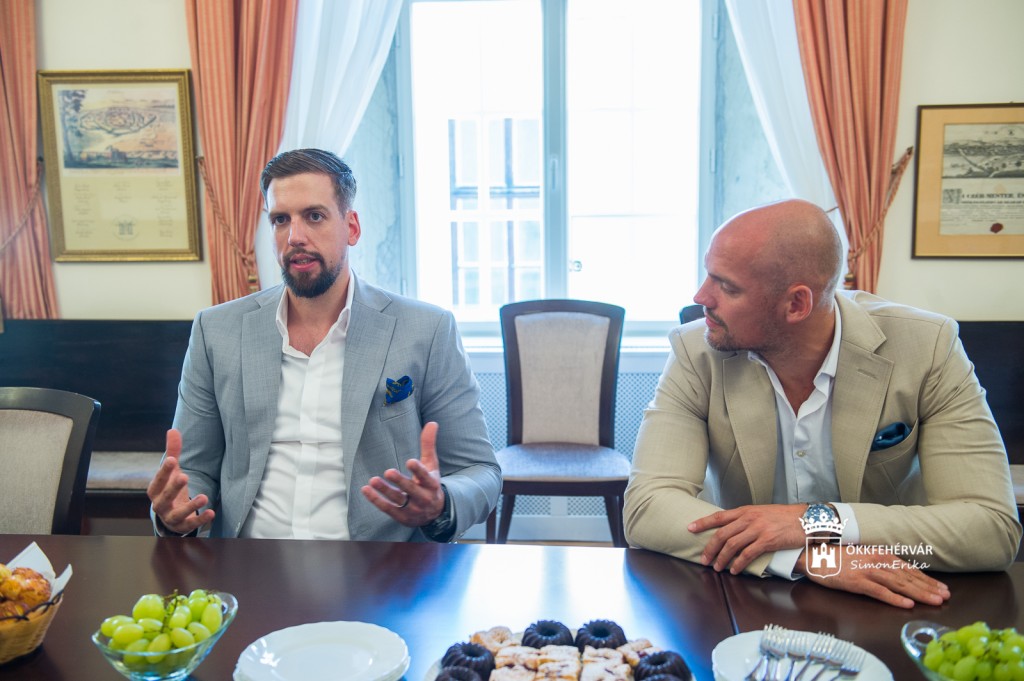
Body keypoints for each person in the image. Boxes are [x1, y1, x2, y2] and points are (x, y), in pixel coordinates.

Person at [624, 199, 1021, 608]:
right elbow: (647, 507)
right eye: (709, 274)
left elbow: (991, 529)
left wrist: (814, 521)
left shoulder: (927, 346)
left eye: (727, 287)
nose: (701, 296)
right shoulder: (695, 352)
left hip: (895, 590)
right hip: (748, 591)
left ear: (797, 304)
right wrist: (808, 556)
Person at [148, 148, 500, 542]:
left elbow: (479, 472)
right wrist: (176, 512)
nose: (295, 237)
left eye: (314, 216)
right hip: (249, 561)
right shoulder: (216, 330)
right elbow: (192, 470)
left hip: (378, 562)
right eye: (281, 220)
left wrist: (440, 503)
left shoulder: (426, 330)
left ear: (351, 227)